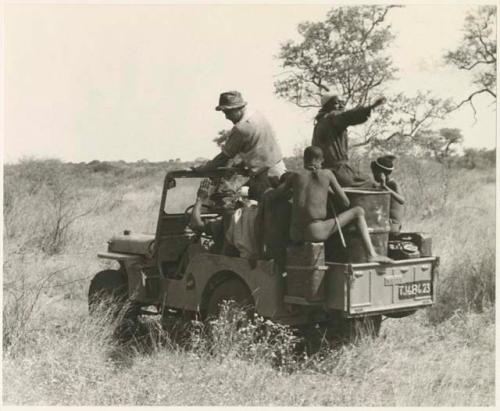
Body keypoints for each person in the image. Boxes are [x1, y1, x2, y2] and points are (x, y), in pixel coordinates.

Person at [275, 146, 392, 264]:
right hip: (315, 232)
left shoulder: (294, 176)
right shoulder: (327, 174)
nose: (322, 164)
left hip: (295, 233)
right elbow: (346, 203)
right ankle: (372, 254)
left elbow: (276, 195)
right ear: (317, 160)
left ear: (305, 159)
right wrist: (327, 190)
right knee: (358, 211)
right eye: (321, 161)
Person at [194, 91, 286, 185]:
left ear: (237, 109)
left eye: (228, 112)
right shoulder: (256, 115)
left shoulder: (241, 128)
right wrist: (243, 164)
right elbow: (257, 146)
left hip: (267, 176)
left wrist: (202, 168)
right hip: (279, 169)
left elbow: (223, 158)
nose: (226, 117)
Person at [312, 94, 386, 187]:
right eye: (336, 103)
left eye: (342, 103)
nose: (341, 106)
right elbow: (347, 116)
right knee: (371, 183)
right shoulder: (332, 117)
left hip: (323, 169)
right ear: (327, 106)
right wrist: (371, 107)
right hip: (337, 171)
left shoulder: (320, 122)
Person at [255, 172, 293, 270]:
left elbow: (258, 224)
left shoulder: (267, 196)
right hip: (282, 248)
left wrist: (259, 250)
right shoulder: (289, 202)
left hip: (271, 247)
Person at [371, 155, 405, 235]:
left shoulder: (393, 184)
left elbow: (402, 200)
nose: (374, 176)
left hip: (392, 226)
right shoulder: (384, 185)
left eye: (374, 173)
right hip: (388, 224)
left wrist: (385, 187)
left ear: (381, 173)